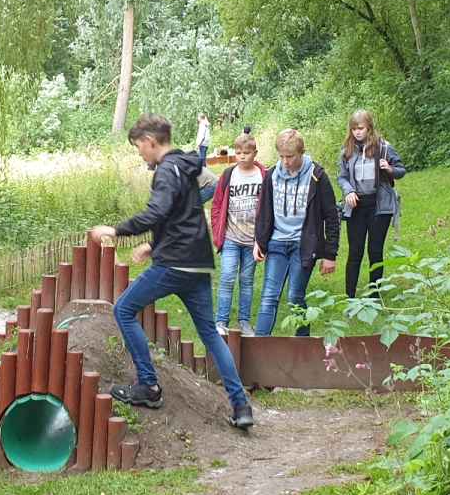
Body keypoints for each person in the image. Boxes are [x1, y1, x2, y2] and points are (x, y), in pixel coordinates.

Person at [89, 115, 255, 430]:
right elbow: (183, 216)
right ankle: (241, 405)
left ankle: (148, 386)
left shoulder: (166, 170)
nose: (139, 153)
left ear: (151, 142)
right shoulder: (185, 165)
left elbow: (158, 212)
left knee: (124, 309)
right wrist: (154, 246)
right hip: (197, 261)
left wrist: (116, 229)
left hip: (175, 264)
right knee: (209, 334)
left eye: (139, 146)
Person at [252, 128, 339, 337]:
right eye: (281, 156)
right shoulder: (272, 175)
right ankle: (259, 346)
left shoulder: (317, 176)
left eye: (290, 157)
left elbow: (332, 216)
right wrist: (259, 241)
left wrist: (330, 254)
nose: (285, 162)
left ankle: (303, 343)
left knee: (294, 297)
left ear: (301, 153)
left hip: (304, 244)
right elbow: (263, 211)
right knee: (269, 296)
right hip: (276, 243)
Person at [337, 109, 407, 299]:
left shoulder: (384, 147)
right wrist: (348, 191)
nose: (357, 132)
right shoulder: (347, 151)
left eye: (360, 128)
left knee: (375, 251)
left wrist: (390, 168)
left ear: (369, 127)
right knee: (355, 251)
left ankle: (375, 296)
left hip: (380, 205)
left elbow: (401, 170)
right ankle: (350, 296)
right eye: (353, 129)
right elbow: (342, 177)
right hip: (357, 205)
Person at [205, 133, 264, 338]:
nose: (242, 156)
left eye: (246, 153)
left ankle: (244, 321)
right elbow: (217, 205)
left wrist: (263, 238)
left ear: (254, 153)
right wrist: (217, 234)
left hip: (252, 240)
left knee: (246, 280)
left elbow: (268, 207)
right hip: (231, 237)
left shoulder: (263, 175)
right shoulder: (229, 175)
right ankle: (221, 321)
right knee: (227, 277)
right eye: (238, 153)